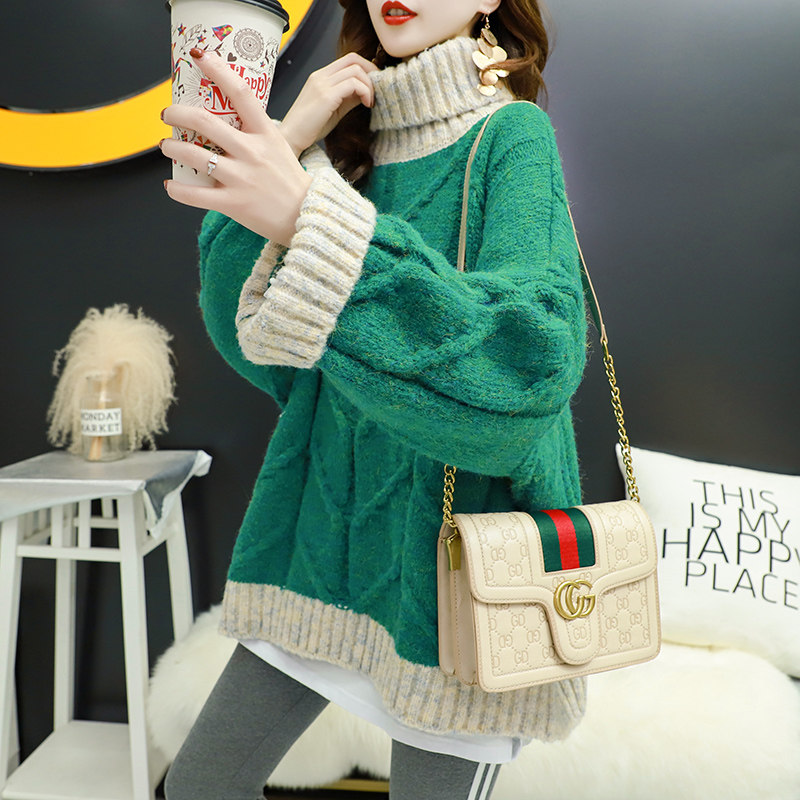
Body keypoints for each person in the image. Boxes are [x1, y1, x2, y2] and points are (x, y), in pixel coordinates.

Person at [160, 1, 588, 798]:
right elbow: (250, 340)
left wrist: (310, 218)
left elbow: (527, 366)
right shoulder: (347, 142)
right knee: (197, 787)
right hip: (319, 545)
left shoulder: (512, 136)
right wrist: (292, 139)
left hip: (454, 580)